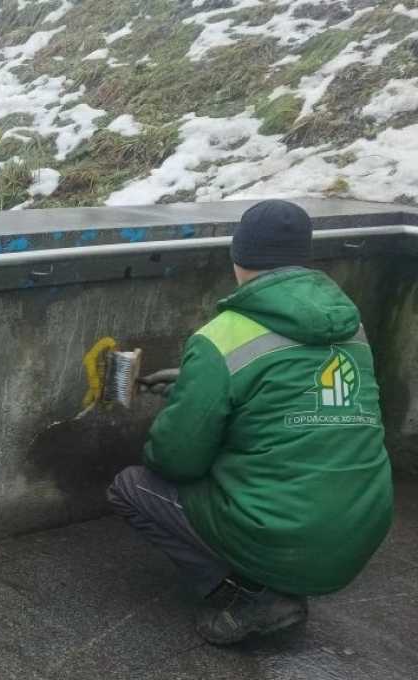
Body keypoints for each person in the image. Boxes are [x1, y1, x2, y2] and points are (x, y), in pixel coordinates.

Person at [108, 199, 394, 645]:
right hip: (364, 526)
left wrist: (194, 402)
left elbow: (175, 460)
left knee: (131, 487)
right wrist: (197, 385)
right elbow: (296, 392)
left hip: (285, 535)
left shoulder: (222, 336)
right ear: (303, 258)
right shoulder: (350, 327)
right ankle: (274, 574)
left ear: (238, 257)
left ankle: (254, 596)